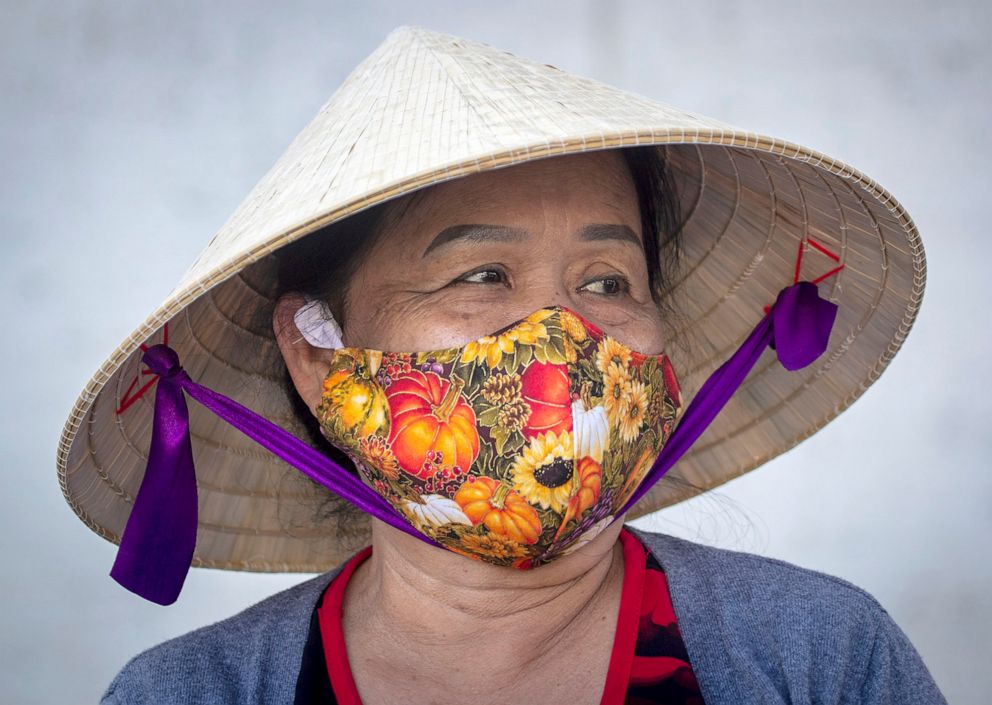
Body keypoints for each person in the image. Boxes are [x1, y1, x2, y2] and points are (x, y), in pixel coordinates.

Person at [58, 27, 946, 704]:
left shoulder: (819, 657)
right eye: (482, 275)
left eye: (608, 280)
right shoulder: (192, 692)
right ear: (318, 352)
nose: (561, 339)